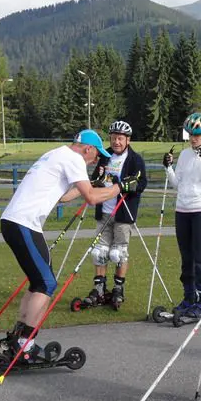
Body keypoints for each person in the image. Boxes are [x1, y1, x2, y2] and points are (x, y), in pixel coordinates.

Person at [0, 129, 122, 357]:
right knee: (46, 284)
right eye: (96, 155)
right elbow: (92, 198)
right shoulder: (75, 159)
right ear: (88, 148)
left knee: (39, 283)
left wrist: (92, 183)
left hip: (16, 222)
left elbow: (63, 196)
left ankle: (17, 337)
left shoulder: (56, 154)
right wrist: (117, 188)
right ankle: (24, 343)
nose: (95, 160)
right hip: (23, 223)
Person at [82, 120, 148, 309]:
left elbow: (142, 183)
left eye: (120, 138)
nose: (116, 142)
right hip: (103, 211)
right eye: (113, 138)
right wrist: (96, 181)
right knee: (99, 252)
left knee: (118, 253)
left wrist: (130, 185)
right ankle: (99, 288)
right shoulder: (105, 156)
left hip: (123, 213)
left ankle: (118, 289)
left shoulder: (135, 160)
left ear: (128, 140)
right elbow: (96, 177)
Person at [162, 112, 201, 318]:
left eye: (198, 135)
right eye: (191, 134)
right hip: (182, 210)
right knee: (186, 259)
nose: (194, 138)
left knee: (200, 258)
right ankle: (189, 297)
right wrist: (168, 167)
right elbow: (178, 183)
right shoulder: (185, 155)